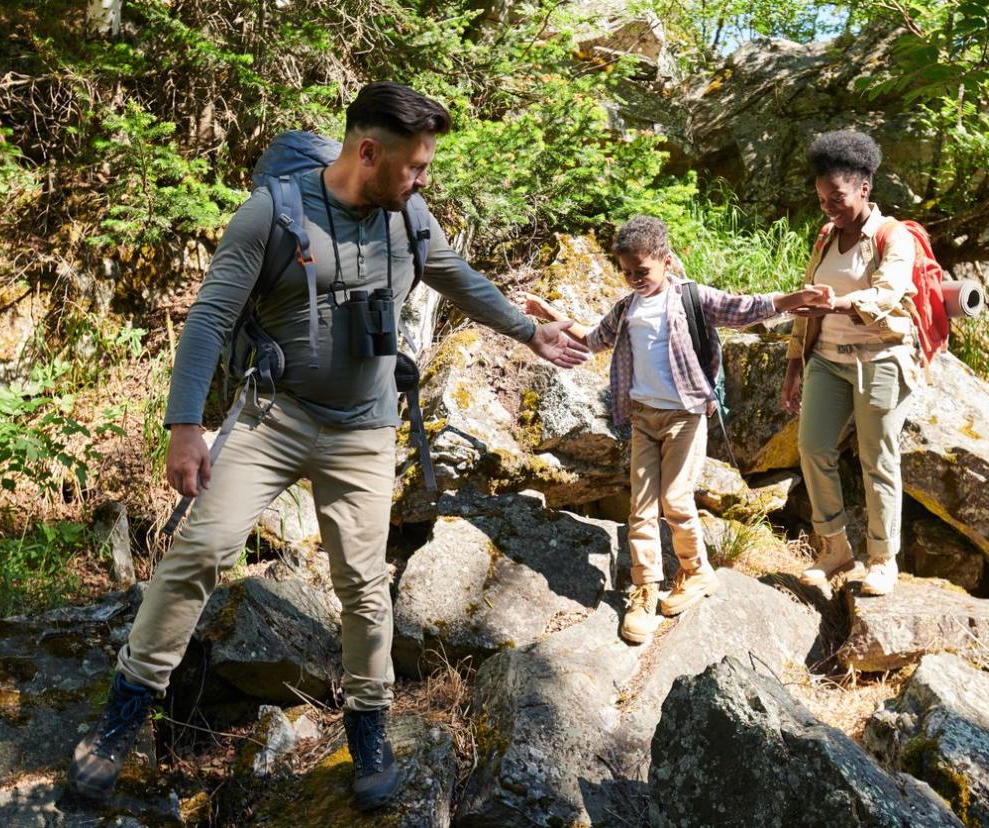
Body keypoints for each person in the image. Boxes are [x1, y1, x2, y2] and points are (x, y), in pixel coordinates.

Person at [67, 82, 588, 811]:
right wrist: (186, 427)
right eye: (415, 165)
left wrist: (531, 332)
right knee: (200, 554)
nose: (423, 179)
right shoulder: (271, 215)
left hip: (366, 431)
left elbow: (457, 279)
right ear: (367, 151)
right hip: (273, 419)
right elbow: (209, 320)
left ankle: (368, 728)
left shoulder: (408, 214)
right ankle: (122, 719)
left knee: (366, 587)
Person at [516, 216, 831, 644]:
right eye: (627, 273)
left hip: (685, 417)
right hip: (643, 418)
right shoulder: (627, 308)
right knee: (641, 506)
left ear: (665, 261)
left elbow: (742, 309)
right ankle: (645, 590)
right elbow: (592, 339)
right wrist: (546, 315)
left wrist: (793, 299)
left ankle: (697, 572)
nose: (634, 280)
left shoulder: (691, 299)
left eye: (641, 271)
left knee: (676, 500)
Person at [783, 130, 919, 598]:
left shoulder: (892, 236)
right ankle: (836, 548)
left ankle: (883, 559)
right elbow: (808, 303)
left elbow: (888, 294)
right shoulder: (825, 236)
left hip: (879, 360)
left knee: (877, 458)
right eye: (822, 199)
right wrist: (794, 365)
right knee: (813, 448)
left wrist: (836, 304)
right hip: (826, 360)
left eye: (836, 197)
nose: (829, 207)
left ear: (864, 187)